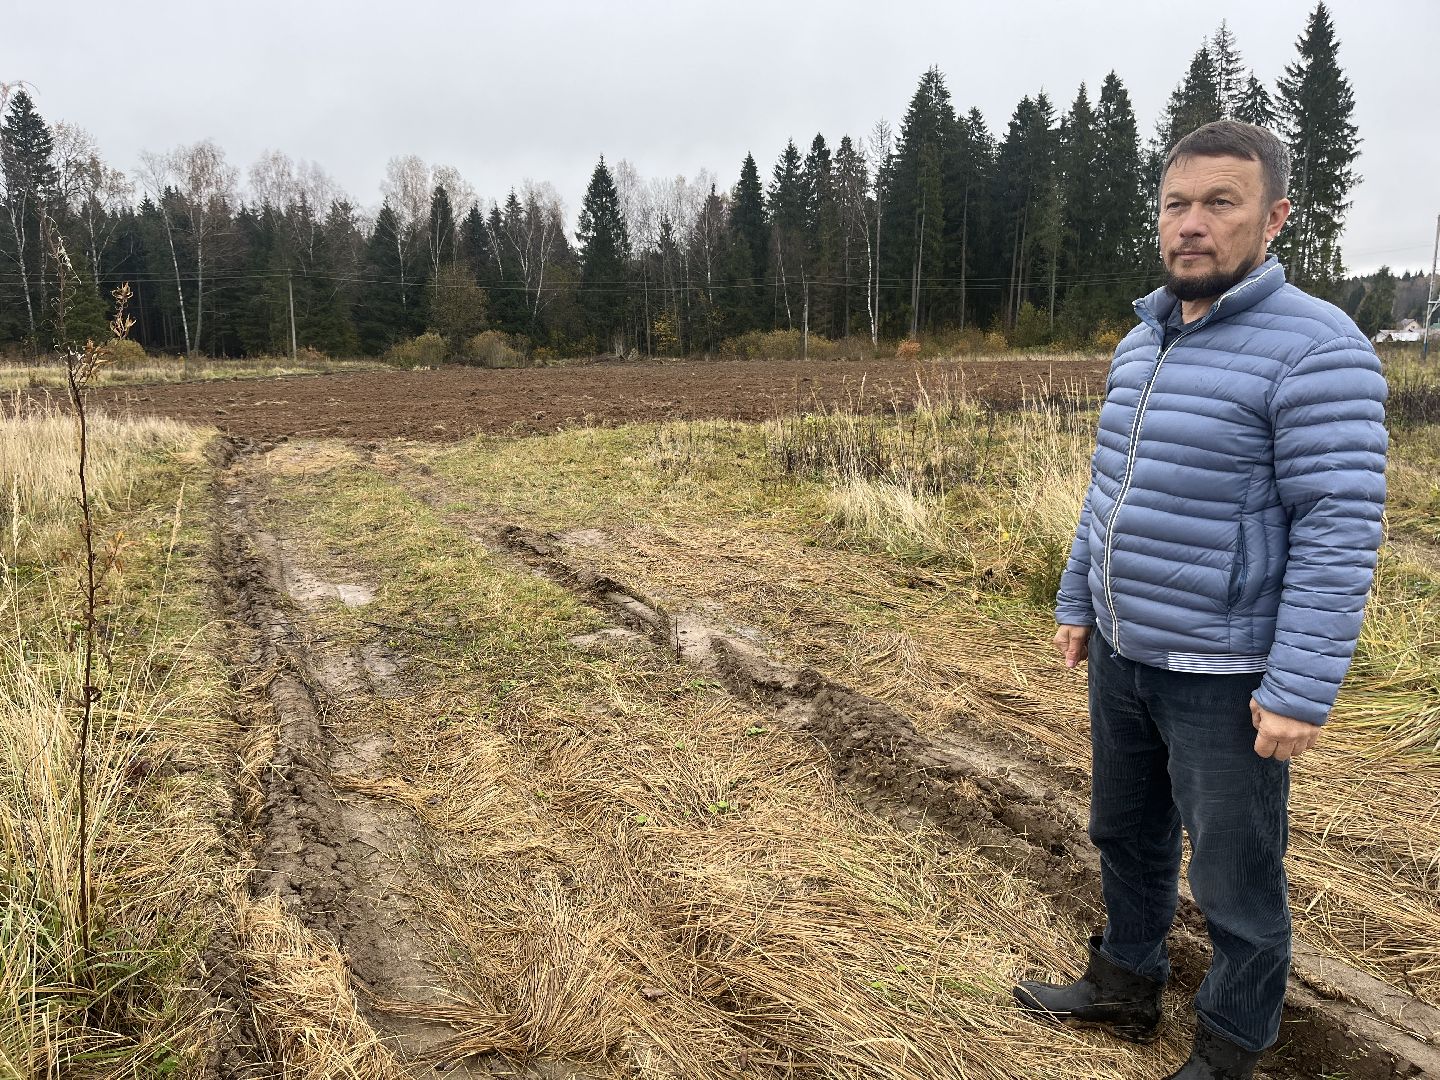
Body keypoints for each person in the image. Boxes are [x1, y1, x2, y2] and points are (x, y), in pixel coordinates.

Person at [1012, 120, 1388, 1080]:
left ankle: (1231, 1047)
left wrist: (1300, 688)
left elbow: (1338, 528)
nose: (1192, 224)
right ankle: (1124, 986)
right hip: (1127, 651)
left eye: (1220, 203)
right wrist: (1077, 598)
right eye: (1178, 203)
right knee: (1124, 832)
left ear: (1272, 219)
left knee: (1235, 879)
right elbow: (1110, 490)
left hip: (1225, 674)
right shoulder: (1143, 339)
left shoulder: (1318, 348)